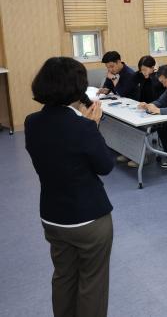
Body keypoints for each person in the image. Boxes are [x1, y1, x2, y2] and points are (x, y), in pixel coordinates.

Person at [25, 57, 114, 317]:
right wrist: (93, 127)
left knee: (63, 276)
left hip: (52, 216)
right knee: (92, 283)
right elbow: (105, 166)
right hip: (88, 219)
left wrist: (86, 127)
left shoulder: (31, 122)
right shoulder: (83, 127)